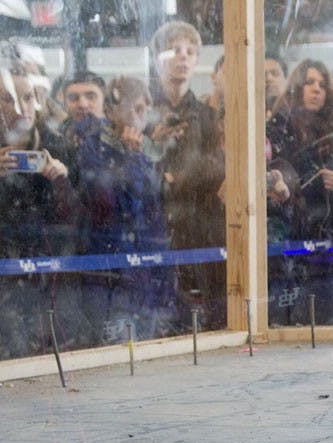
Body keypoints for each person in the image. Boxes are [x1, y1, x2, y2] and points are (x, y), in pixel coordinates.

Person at [0, 61, 81, 361]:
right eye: (9, 98)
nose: (22, 107)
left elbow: (80, 226)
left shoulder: (58, 147)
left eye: (29, 97)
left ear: (39, 100)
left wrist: (61, 180)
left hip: (50, 289)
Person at [77, 76, 176, 344]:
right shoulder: (93, 149)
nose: (141, 117)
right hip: (110, 277)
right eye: (136, 108)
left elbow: (155, 222)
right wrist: (130, 158)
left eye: (146, 109)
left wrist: (166, 287)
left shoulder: (143, 154)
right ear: (111, 112)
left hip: (144, 280)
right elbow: (109, 205)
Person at [148, 20, 226, 330]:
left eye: (190, 51)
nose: (182, 57)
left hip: (197, 226)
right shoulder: (144, 110)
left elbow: (214, 168)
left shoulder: (207, 116)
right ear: (157, 57)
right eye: (174, 50)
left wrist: (180, 178)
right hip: (156, 223)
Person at [266, 59, 333, 325]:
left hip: (325, 247)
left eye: (322, 84)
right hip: (286, 243)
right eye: (309, 83)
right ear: (297, 87)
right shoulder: (277, 128)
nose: (316, 89)